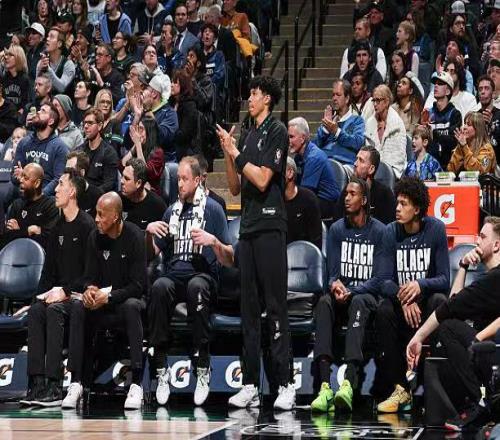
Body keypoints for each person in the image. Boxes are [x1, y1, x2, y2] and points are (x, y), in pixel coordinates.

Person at [217, 75, 295, 410]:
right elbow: (235, 188)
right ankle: (249, 383)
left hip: (270, 225)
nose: (249, 98)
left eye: (254, 93)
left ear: (267, 99)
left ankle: (286, 383)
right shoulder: (248, 134)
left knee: (275, 306)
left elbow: (263, 180)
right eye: (249, 92)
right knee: (248, 308)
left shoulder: (277, 131)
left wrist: (236, 152)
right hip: (247, 228)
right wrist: (228, 153)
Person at [147, 156, 233, 407]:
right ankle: (161, 367)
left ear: (197, 180)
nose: (180, 184)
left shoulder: (213, 210)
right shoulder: (171, 211)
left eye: (184, 179)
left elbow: (229, 258)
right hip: (174, 276)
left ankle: (203, 365)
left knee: (197, 287)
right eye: (177, 179)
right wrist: (148, 233)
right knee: (159, 287)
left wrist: (213, 242)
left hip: (203, 276)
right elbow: (151, 253)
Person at [407, 216, 500, 432]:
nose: (477, 241)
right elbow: (453, 304)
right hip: (489, 353)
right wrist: (463, 266)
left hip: (494, 353)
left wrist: (418, 337)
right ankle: (482, 402)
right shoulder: (489, 280)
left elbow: (447, 311)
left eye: (483, 237)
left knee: (448, 327)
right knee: (450, 324)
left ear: (496, 245)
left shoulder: (494, 280)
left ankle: (483, 403)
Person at [21, 169, 95, 408]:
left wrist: (64, 291)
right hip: (58, 294)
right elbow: (48, 273)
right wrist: (36, 298)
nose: (55, 189)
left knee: (54, 311)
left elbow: (90, 273)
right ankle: (36, 383)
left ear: (72, 192)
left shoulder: (87, 226)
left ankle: (54, 385)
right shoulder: (56, 227)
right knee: (36, 311)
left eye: (60, 184)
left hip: (78, 296)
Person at [311, 177, 386, 413]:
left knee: (359, 302)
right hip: (342, 295)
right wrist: (335, 285)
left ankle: (348, 383)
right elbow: (332, 274)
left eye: (352, 194)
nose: (347, 198)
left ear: (364, 200)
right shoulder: (336, 230)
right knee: (324, 302)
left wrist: (353, 290)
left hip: (366, 297)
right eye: (346, 193)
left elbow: (380, 279)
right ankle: (324, 386)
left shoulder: (380, 231)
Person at [376, 177, 450, 413]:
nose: (397, 208)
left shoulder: (436, 229)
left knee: (440, 301)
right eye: (397, 203)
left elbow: (444, 279)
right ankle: (400, 390)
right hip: (403, 307)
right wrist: (404, 298)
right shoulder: (390, 232)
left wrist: (420, 285)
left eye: (404, 204)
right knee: (383, 309)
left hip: (426, 306)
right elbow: (383, 281)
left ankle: (435, 387)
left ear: (417, 209)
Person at [75, 192, 147, 410]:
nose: (96, 219)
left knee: (132, 306)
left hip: (127, 301)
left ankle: (136, 383)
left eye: (101, 214)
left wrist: (110, 297)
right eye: (96, 214)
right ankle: (77, 382)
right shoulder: (94, 237)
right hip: (101, 302)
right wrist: (89, 290)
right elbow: (88, 277)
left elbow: (138, 285)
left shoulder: (135, 236)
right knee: (78, 306)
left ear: (115, 216)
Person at [288, 117, 340, 219]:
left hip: (327, 204)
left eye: (291, 137)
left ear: (302, 138)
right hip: (313, 197)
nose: (288, 141)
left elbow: (305, 192)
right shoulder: (298, 157)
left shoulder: (314, 157)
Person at [14, 102, 69, 196]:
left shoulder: (60, 147)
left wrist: (40, 195)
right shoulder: (24, 143)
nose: (38, 112)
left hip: (46, 198)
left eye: (43, 111)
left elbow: (58, 179)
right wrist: (19, 177)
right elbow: (14, 174)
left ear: (51, 121)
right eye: (39, 110)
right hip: (24, 193)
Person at [1, 163, 58, 250]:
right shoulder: (17, 204)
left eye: (26, 178)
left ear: (37, 183)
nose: (21, 180)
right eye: (21, 176)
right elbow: (6, 238)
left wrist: (18, 231)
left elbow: (48, 240)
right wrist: (28, 231)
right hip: (15, 254)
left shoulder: (50, 205)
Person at [315, 79, 365, 164]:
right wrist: (326, 129)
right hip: (325, 162)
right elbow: (317, 144)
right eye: (333, 95)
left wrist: (337, 132)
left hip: (344, 164)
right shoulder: (329, 120)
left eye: (338, 95)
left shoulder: (357, 121)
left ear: (347, 98)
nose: (334, 98)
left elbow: (358, 143)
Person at [131, 72, 178, 159]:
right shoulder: (141, 111)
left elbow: (162, 139)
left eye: (145, 88)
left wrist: (148, 111)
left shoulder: (169, 113)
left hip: (163, 161)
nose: (141, 91)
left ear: (154, 94)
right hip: (140, 158)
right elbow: (128, 142)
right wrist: (137, 117)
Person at [365, 84, 407, 178]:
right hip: (373, 170)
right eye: (373, 100)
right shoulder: (370, 123)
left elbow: (398, 156)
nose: (375, 104)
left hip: (392, 170)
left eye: (378, 100)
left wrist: (381, 169)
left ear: (387, 102)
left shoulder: (397, 124)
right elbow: (368, 152)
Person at [425, 71, 463, 170]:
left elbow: (453, 141)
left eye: (440, 84)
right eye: (435, 83)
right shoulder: (428, 113)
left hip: (448, 166)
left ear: (448, 91)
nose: (436, 86)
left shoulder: (455, 114)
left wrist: (434, 134)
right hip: (428, 165)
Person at [76, 108, 118, 191]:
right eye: (85, 123)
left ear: (99, 126)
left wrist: (90, 193)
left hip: (99, 196)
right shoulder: (79, 151)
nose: (86, 126)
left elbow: (109, 184)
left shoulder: (109, 153)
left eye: (90, 123)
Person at [121, 115, 165, 194]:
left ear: (149, 132)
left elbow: (144, 173)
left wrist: (138, 144)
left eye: (141, 129)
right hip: (133, 189)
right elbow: (122, 165)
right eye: (138, 128)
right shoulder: (138, 148)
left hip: (150, 192)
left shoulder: (158, 153)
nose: (138, 133)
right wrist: (135, 145)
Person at [284, 157, 322, 249]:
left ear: (290, 173)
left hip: (303, 253)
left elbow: (316, 239)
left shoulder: (309, 199)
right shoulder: (273, 199)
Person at [120, 158, 166, 229]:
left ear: (138, 183)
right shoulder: (118, 200)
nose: (121, 181)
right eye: (122, 176)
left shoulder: (157, 206)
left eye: (126, 179)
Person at [170, 68, 200, 161]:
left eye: (175, 83)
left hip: (186, 150)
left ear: (183, 85)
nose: (171, 85)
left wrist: (170, 134)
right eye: (171, 82)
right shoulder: (171, 103)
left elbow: (185, 133)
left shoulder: (190, 105)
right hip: (173, 147)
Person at [36, 26, 76, 94]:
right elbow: (37, 89)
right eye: (48, 36)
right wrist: (39, 70)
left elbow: (62, 88)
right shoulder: (41, 62)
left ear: (59, 44)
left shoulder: (68, 64)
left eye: (51, 37)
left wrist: (48, 69)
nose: (47, 39)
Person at [66, 150, 103, 218]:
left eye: (71, 170)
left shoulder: (98, 196)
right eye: (66, 170)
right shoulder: (64, 192)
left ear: (82, 172)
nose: (67, 174)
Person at [392, 72, 425, 137]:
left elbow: (412, 133)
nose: (399, 85)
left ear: (410, 91)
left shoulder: (415, 109)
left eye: (404, 83)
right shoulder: (392, 108)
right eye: (399, 83)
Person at [0, 44, 30, 113]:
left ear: (18, 58)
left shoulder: (24, 79)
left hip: (18, 116)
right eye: (6, 55)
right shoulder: (4, 78)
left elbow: (26, 104)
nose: (6, 57)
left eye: (10, 55)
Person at [476, 75, 500, 161]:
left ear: (493, 94)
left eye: (486, 88)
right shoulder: (475, 117)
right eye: (480, 89)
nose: (483, 92)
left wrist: (492, 126)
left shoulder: (499, 115)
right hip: (477, 163)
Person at [94, 88, 123, 154]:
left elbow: (116, 148)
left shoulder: (115, 123)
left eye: (108, 102)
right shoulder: (91, 121)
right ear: (97, 103)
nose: (105, 105)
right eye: (102, 102)